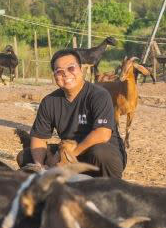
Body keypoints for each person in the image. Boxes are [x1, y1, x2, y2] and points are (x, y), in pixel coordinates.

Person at [17, 48, 126, 177]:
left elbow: (102, 134)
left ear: (81, 70)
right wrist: (40, 166)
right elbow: (39, 137)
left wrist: (66, 158)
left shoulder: (99, 95)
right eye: (59, 71)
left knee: (101, 152)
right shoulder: (49, 101)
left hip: (98, 151)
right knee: (25, 156)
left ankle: (110, 189)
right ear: (55, 76)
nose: (66, 74)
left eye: (71, 68)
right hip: (67, 149)